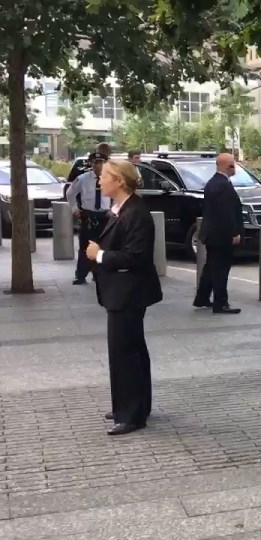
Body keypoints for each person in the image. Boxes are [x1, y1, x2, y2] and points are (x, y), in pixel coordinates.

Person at [84, 159, 162, 435]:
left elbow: (137, 256)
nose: (99, 180)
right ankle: (132, 405)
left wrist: (100, 255)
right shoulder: (119, 209)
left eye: (104, 176)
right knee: (131, 350)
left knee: (125, 352)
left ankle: (131, 415)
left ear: (120, 180)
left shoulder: (136, 213)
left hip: (128, 293)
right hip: (120, 292)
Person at [194, 153, 242, 314]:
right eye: (232, 165)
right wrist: (234, 232)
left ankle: (202, 298)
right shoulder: (221, 185)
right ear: (224, 166)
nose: (234, 168)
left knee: (211, 267)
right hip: (220, 236)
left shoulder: (215, 183)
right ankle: (220, 303)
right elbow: (225, 213)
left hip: (213, 234)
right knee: (220, 270)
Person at [66, 152, 111, 285]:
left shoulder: (110, 178)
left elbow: (117, 195)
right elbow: (70, 194)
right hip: (88, 215)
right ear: (91, 164)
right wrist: (75, 210)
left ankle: (100, 275)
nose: (98, 166)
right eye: (96, 163)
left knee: (104, 247)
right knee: (85, 247)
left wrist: (113, 210)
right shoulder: (83, 179)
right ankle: (80, 275)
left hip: (105, 216)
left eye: (101, 162)